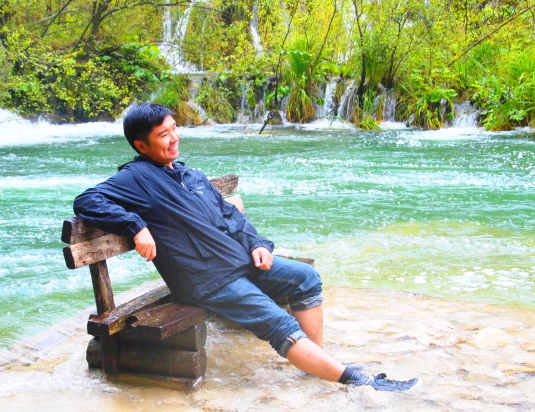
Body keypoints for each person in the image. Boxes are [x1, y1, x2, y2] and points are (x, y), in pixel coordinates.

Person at [73, 103, 417, 391]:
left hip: (240, 261)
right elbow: (87, 200)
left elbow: (231, 217)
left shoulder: (190, 176)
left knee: (306, 278)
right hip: (207, 278)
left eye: (174, 129)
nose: (174, 138)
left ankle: (316, 359)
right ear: (141, 145)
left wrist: (256, 244)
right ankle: (358, 380)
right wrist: (137, 226)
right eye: (163, 135)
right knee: (278, 325)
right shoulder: (136, 178)